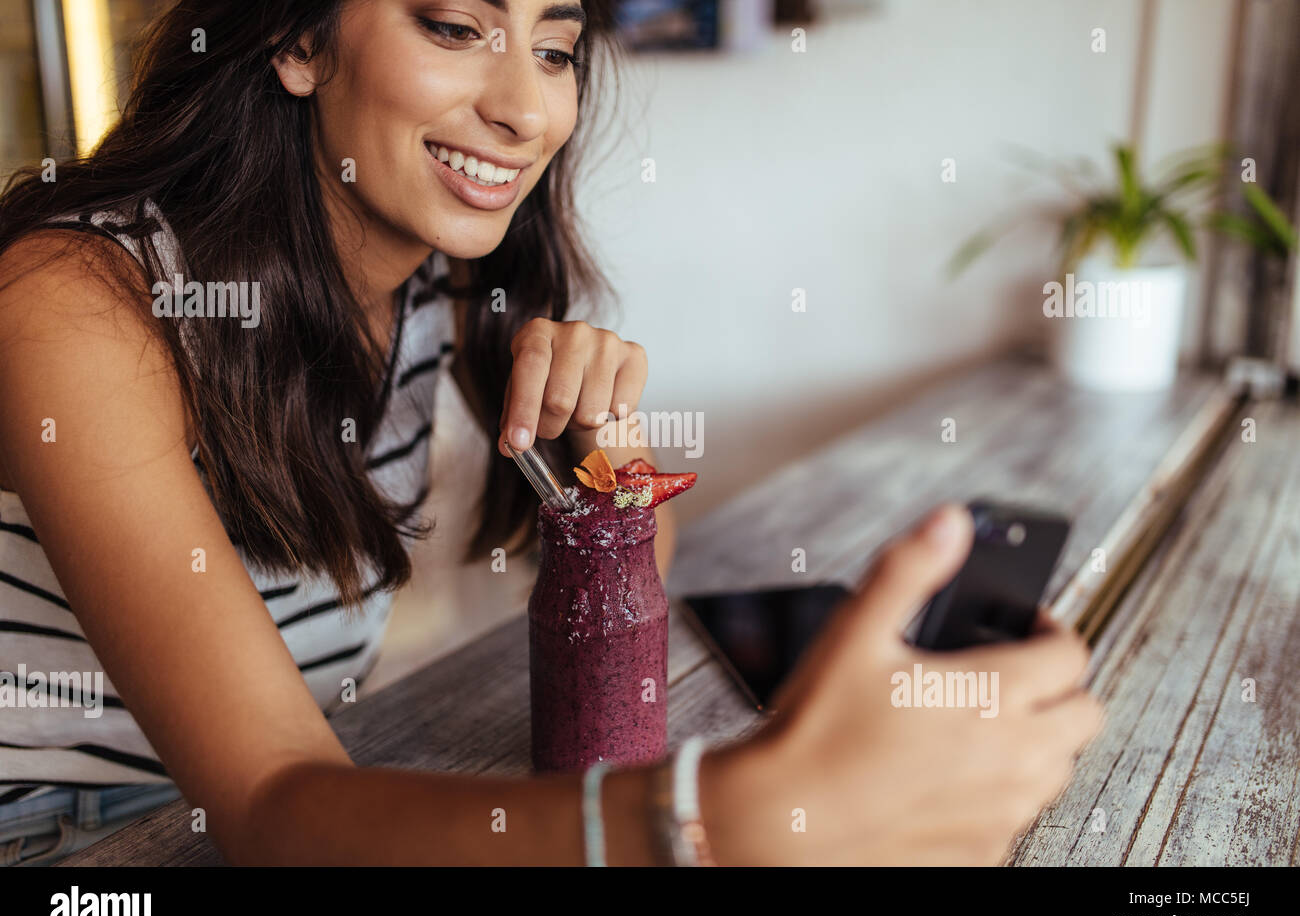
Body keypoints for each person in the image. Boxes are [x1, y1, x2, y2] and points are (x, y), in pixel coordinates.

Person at [0, 0, 1101, 865]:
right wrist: (715, 814)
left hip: (325, 788)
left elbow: (637, 578)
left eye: (557, 48)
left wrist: (600, 455)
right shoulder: (73, 300)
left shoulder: (439, 280)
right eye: (453, 28)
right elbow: (266, 806)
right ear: (296, 37)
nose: (527, 110)